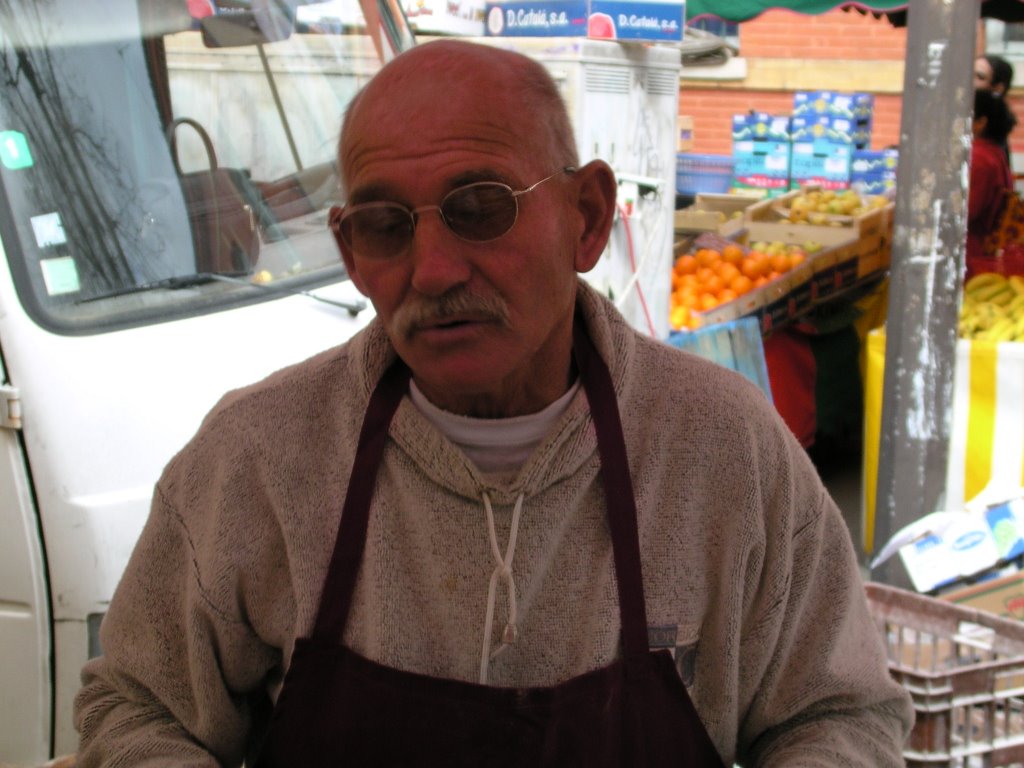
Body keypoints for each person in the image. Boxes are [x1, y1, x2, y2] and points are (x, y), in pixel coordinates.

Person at [74, 39, 913, 766]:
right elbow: (140, 706)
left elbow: (837, 714)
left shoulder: (724, 448)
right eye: (385, 223)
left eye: (481, 209)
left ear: (586, 219)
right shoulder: (259, 457)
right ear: (351, 253)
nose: (433, 269)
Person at [967, 88, 1016, 279]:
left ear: (980, 123)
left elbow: (965, 212)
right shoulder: (994, 153)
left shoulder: (978, 158)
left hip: (970, 257)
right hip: (983, 251)